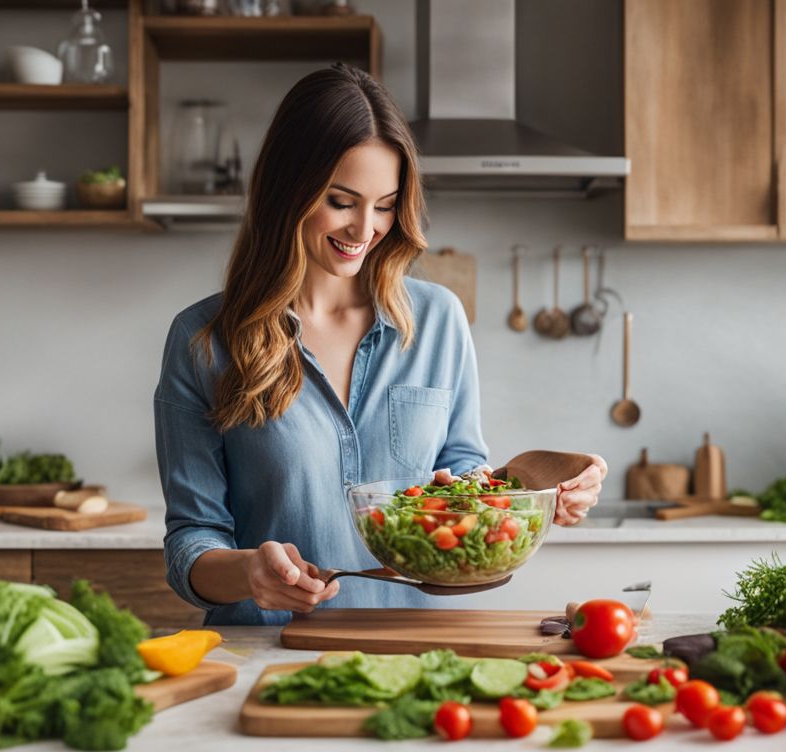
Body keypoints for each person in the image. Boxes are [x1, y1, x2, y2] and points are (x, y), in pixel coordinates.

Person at [155, 63, 606, 625]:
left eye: (386, 204)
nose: (365, 229)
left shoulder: (439, 318)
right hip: (271, 653)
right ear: (286, 190)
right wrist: (249, 572)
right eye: (341, 201)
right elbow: (191, 545)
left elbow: (462, 472)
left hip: (419, 646)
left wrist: (528, 495)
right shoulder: (203, 342)